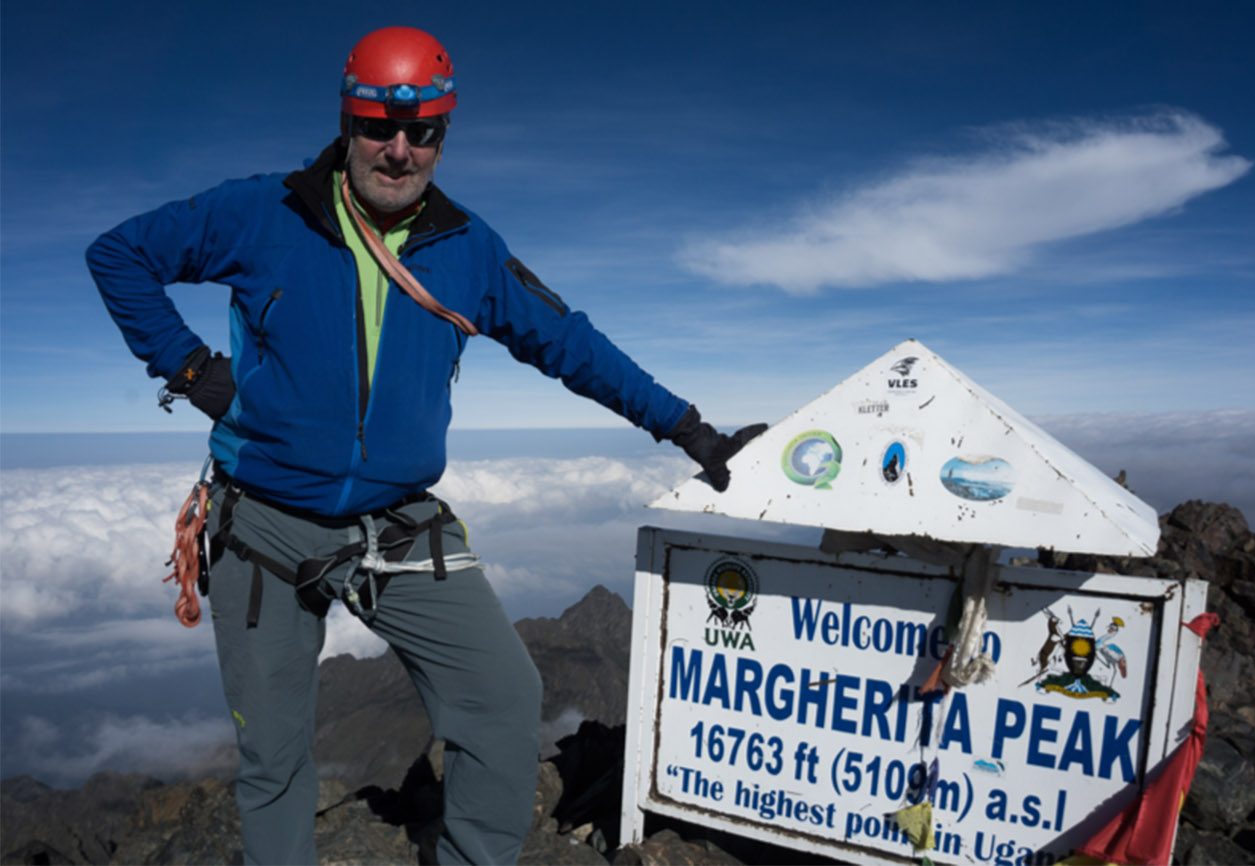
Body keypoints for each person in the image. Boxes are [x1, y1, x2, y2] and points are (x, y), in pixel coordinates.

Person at [87, 26, 762, 866]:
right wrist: (188, 366)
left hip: (395, 526)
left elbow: (570, 344)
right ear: (346, 121)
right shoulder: (262, 213)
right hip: (261, 524)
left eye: (423, 132)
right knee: (274, 758)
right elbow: (119, 254)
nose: (398, 150)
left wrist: (687, 428)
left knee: (504, 697)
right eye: (377, 126)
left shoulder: (466, 249)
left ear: (444, 135)